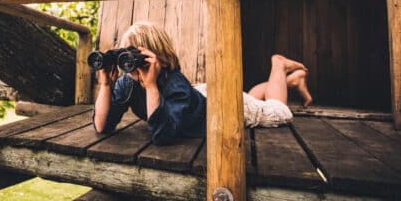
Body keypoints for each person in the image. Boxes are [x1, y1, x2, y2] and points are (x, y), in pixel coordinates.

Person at [92, 22, 313, 145]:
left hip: (221, 107)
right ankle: (291, 81)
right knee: (252, 98)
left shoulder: (174, 84)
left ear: (156, 57)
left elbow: (162, 136)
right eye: (125, 58)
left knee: (279, 112)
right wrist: (105, 85)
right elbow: (102, 127)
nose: (130, 65)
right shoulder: (127, 84)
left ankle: (279, 66)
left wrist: (150, 86)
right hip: (198, 96)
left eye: (135, 57)